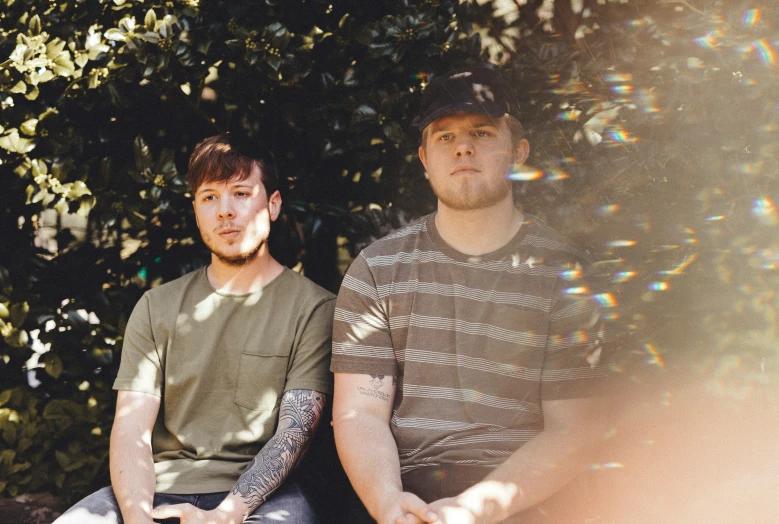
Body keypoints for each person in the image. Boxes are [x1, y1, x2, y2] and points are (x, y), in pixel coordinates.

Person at [330, 66, 613, 524]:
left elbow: (574, 429)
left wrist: (473, 509)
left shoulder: (564, 274)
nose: (463, 147)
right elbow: (360, 410)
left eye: (481, 132)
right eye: (444, 137)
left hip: (522, 488)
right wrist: (387, 503)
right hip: (406, 486)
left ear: (517, 151)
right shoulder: (376, 270)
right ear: (424, 158)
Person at [55, 133, 336, 524]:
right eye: (209, 197)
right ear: (196, 210)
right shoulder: (157, 306)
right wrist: (139, 518)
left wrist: (226, 514)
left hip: (263, 498)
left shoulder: (314, 309)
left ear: (273, 205)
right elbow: (131, 427)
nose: (224, 211)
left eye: (240, 193)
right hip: (154, 489)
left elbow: (294, 435)